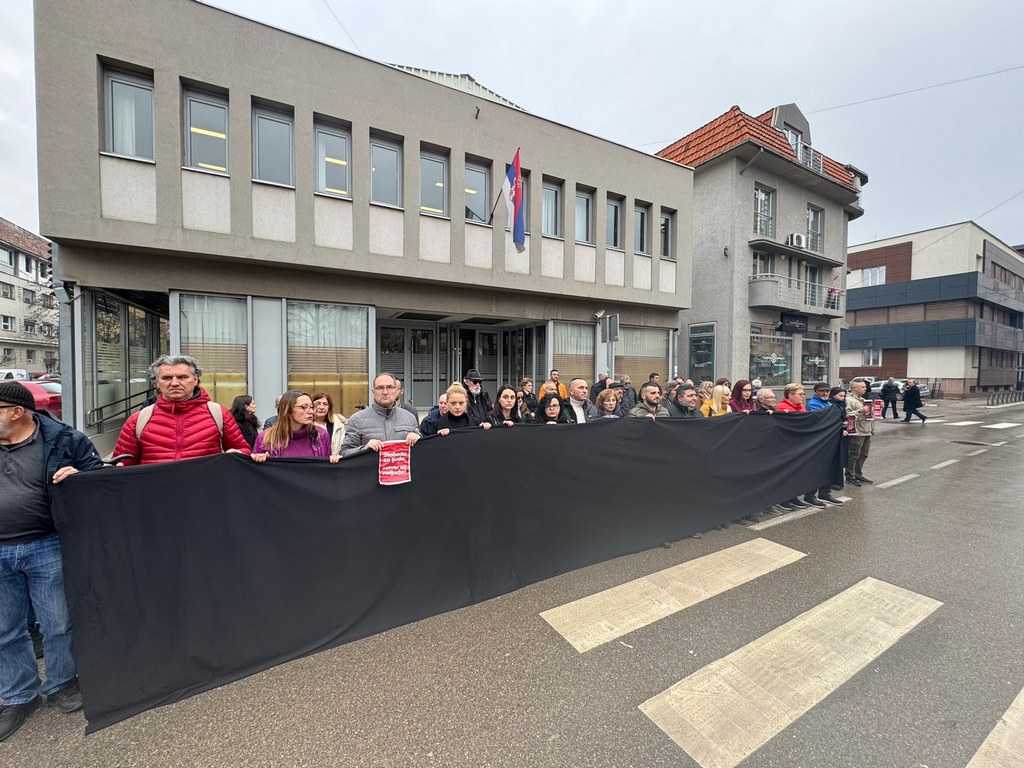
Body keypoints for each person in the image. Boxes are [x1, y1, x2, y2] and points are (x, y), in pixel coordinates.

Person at [0, 380, 103, 741]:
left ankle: (62, 683)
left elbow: (97, 477)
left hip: (47, 545)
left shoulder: (63, 440)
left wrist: (80, 477)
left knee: (57, 622)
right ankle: (17, 696)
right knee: (5, 628)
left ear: (16, 412)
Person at [113, 355, 251, 464]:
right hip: (155, 496)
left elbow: (243, 449)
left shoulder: (219, 414)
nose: (174, 383)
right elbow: (122, 464)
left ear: (195, 379)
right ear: (157, 383)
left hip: (204, 495)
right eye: (166, 378)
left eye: (182, 377)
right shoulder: (138, 421)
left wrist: (240, 454)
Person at [341, 373, 421, 457]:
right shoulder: (356, 420)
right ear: (373, 392)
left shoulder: (409, 417)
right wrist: (364, 449)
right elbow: (344, 453)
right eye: (380, 388)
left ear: (396, 390)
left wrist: (417, 439)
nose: (385, 392)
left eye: (390, 387)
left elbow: (421, 449)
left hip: (402, 469)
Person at [251, 390, 339, 462]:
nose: (311, 411)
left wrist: (334, 461)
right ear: (288, 411)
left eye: (312, 407)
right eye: (304, 407)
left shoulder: (321, 435)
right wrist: (259, 459)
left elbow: (327, 471)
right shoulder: (266, 438)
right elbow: (257, 475)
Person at [846, 379, 874, 486]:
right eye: (862, 387)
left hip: (867, 430)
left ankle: (858, 474)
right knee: (854, 454)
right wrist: (860, 411)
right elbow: (847, 415)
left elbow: (869, 415)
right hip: (857, 431)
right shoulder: (849, 400)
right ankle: (850, 476)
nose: (865, 388)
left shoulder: (862, 399)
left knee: (864, 454)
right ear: (854, 388)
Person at [311, 391, 347, 455]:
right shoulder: (304, 425)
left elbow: (344, 448)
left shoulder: (339, 426)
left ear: (329, 407)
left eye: (325, 404)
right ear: (311, 406)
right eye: (318, 403)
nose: (321, 407)